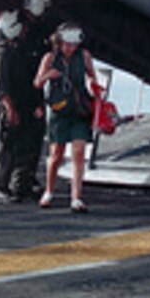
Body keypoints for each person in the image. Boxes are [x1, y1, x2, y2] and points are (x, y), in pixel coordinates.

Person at [33, 22, 98, 213]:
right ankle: (49, 191)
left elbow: (92, 76)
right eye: (67, 44)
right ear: (59, 42)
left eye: (74, 45)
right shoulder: (49, 58)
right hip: (60, 111)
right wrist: (47, 76)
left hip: (79, 110)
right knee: (56, 155)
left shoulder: (84, 56)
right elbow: (36, 83)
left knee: (78, 153)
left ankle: (76, 198)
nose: (71, 48)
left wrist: (95, 90)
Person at [0, 10, 43, 203]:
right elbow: (1, 87)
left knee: (24, 146)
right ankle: (1, 188)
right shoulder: (2, 53)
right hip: (12, 105)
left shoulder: (15, 49)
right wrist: (10, 109)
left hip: (24, 103)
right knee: (7, 148)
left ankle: (20, 185)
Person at [17, 0, 56, 196]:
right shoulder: (33, 34)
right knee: (31, 137)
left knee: (32, 137)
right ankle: (24, 180)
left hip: (30, 90)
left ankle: (24, 179)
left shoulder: (25, 30)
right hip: (31, 92)